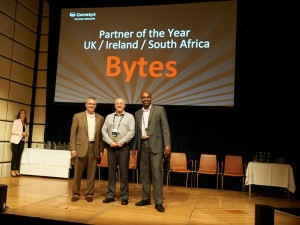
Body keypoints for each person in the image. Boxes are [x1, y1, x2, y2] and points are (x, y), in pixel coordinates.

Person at [132, 91, 171, 212]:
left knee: (156, 174)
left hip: (156, 145)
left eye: (147, 97)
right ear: (141, 99)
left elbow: (165, 127)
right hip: (143, 145)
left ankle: (158, 202)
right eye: (143, 98)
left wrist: (167, 144)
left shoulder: (159, 110)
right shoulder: (137, 113)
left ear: (151, 98)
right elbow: (137, 132)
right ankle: (145, 198)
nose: (145, 99)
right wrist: (134, 147)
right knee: (144, 175)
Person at [70, 96, 104, 202]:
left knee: (91, 173)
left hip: (94, 147)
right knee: (77, 173)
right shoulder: (77, 116)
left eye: (93, 104)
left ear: (96, 105)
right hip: (80, 148)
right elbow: (73, 134)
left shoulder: (100, 118)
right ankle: (76, 193)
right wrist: (72, 148)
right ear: (86, 105)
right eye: (89, 104)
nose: (91, 106)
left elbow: (101, 136)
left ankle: (89, 194)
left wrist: (101, 149)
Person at [102, 98, 135, 205]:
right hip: (111, 147)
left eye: (121, 103)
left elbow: (132, 132)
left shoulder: (130, 117)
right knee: (111, 173)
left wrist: (122, 141)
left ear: (124, 105)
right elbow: (104, 130)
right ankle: (110, 195)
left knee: (124, 173)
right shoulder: (109, 117)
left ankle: (124, 196)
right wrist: (109, 141)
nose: (119, 105)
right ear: (114, 105)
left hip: (123, 147)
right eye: (117, 103)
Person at [9, 109, 29, 177]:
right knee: (14, 155)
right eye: (21, 113)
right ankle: (12, 170)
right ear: (19, 114)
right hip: (15, 141)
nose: (23, 114)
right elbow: (13, 131)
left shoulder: (25, 124)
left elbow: (23, 133)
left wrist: (26, 134)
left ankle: (17, 170)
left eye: (24, 113)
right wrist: (22, 133)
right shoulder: (16, 121)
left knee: (19, 156)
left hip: (22, 141)